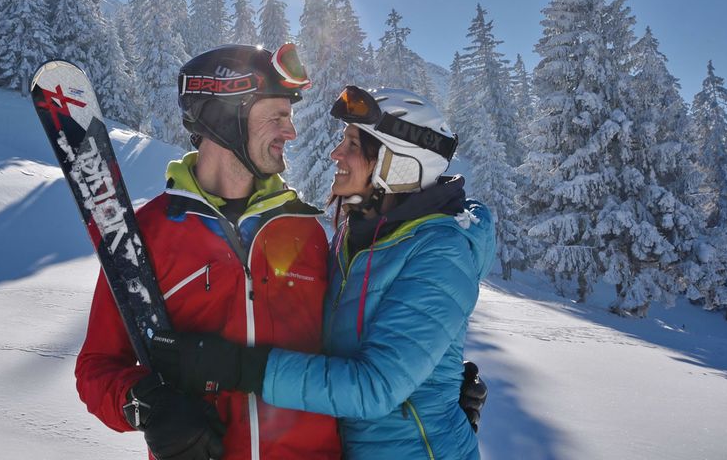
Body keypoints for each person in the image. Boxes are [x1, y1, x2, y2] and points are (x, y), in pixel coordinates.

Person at [150, 84, 496, 460]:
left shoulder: (440, 252)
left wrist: (237, 367)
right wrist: (440, 374)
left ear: (396, 165)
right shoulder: (360, 235)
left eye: (353, 145)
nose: (336, 154)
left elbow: (375, 386)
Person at [75, 44, 342, 459]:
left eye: (289, 117)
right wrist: (148, 406)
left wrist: (435, 388)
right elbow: (97, 366)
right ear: (223, 117)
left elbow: (354, 350)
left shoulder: (306, 231)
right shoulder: (147, 234)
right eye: (276, 116)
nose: (290, 132)